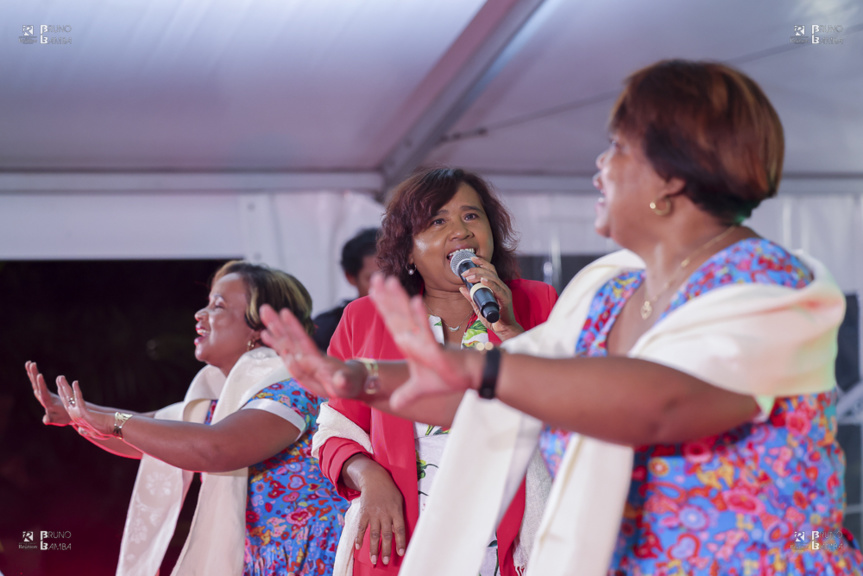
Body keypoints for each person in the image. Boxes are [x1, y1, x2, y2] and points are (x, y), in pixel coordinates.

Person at [260, 61, 863, 576]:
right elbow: (512, 408)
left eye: (618, 147)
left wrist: (472, 366)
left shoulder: (773, 284)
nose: (599, 166)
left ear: (672, 177)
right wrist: (358, 381)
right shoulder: (606, 289)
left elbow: (664, 405)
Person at [276, 167, 557, 576]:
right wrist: (370, 479)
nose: (460, 230)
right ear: (408, 249)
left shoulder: (537, 302)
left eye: (471, 216)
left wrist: (510, 329)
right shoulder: (366, 317)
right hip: (402, 539)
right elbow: (335, 432)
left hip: (511, 542)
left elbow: (569, 407)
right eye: (438, 221)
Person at [26, 260, 348, 576]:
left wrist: (114, 423)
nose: (200, 315)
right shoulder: (225, 405)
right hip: (268, 562)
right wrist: (73, 413)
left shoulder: (292, 386)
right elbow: (149, 435)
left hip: (315, 558)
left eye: (217, 306)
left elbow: (216, 448)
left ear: (260, 326)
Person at [313, 227, 381, 352]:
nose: (384, 286)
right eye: (372, 279)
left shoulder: (418, 319)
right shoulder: (327, 329)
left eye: (392, 276)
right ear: (350, 277)